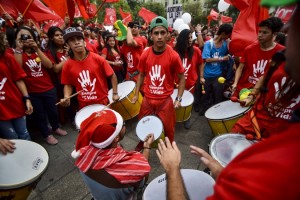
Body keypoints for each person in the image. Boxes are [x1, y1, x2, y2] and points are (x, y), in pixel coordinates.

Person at [156, 0, 300, 198]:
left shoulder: (287, 166)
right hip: (255, 118)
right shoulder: (278, 58)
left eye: (294, 25)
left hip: (274, 137)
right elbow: (262, 78)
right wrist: (251, 92)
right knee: (230, 139)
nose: (289, 29)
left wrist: (172, 169)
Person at [71, 109, 154, 200]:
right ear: (116, 138)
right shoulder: (130, 167)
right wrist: (147, 147)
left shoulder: (83, 155)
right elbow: (143, 176)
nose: (124, 125)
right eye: (123, 124)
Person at [132, 16, 185, 142]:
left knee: (169, 131)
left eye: (163, 32)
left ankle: (169, 153)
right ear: (151, 35)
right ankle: (144, 150)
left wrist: (178, 98)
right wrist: (135, 93)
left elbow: (182, 78)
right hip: (148, 99)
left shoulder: (173, 56)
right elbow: (141, 75)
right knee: (143, 127)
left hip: (165, 101)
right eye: (156, 33)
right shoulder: (145, 53)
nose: (160, 36)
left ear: (168, 35)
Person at [14, 26, 67, 145]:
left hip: (48, 88)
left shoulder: (39, 50)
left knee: (53, 111)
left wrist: (36, 48)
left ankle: (55, 127)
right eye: (22, 36)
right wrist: (18, 48)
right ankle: (46, 134)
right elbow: (17, 69)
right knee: (40, 115)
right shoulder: (16, 53)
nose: (26, 39)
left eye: (28, 36)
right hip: (32, 91)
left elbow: (49, 66)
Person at [60, 27, 120, 109]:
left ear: (84, 42)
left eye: (79, 39)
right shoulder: (67, 64)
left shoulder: (98, 59)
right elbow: (68, 83)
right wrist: (67, 96)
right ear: (68, 45)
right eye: (72, 40)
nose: (76, 42)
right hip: (83, 104)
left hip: (102, 101)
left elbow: (112, 75)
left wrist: (115, 93)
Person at [231, 17, 285, 98]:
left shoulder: (282, 52)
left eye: (265, 32)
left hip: (264, 94)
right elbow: (240, 68)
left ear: (274, 34)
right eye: (259, 31)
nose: (260, 35)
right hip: (244, 90)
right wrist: (235, 83)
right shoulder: (249, 49)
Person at [0, 32, 33, 141]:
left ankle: (29, 156)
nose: (5, 41)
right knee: (12, 138)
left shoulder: (7, 57)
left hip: (14, 103)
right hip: (1, 110)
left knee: (24, 134)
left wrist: (27, 99)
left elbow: (18, 79)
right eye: (4, 39)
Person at [198, 24, 233, 115]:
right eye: (228, 35)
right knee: (205, 95)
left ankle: (216, 113)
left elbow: (229, 54)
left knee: (218, 95)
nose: (229, 37)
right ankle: (204, 110)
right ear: (224, 33)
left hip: (218, 75)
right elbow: (207, 59)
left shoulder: (225, 44)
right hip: (207, 75)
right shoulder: (209, 44)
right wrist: (221, 58)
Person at [174, 29, 204, 129]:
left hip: (191, 83)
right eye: (188, 38)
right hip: (176, 83)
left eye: (191, 37)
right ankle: (174, 117)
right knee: (175, 101)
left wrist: (201, 76)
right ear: (182, 40)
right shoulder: (175, 51)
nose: (190, 40)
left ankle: (187, 118)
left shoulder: (196, 51)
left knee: (188, 103)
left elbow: (200, 64)